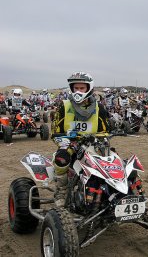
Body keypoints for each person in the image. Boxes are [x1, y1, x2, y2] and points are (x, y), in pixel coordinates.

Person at [52, 72, 110, 207]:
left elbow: (105, 131)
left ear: (89, 88)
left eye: (81, 88)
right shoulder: (64, 106)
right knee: (61, 159)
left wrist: (101, 139)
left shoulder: (99, 108)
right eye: (75, 88)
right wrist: (61, 140)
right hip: (70, 143)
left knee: (110, 162)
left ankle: (108, 192)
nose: (78, 91)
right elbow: (56, 131)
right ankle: (61, 190)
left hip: (93, 144)